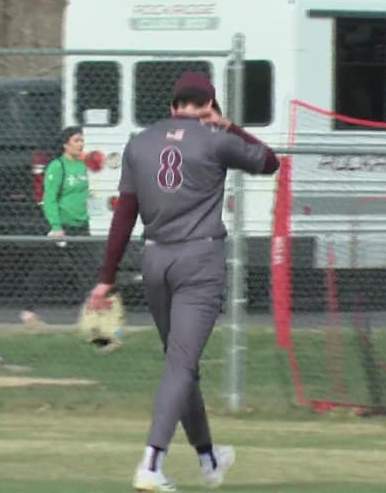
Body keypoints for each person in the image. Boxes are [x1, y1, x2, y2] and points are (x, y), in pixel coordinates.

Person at [85, 71, 280, 491]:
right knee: (181, 364)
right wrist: (229, 126)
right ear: (209, 104)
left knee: (181, 365)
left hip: (155, 258)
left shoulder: (139, 142)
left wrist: (105, 279)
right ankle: (150, 464)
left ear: (173, 105)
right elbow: (269, 161)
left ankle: (209, 459)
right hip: (200, 260)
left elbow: (124, 215)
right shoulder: (216, 138)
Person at [21, 126, 93, 326]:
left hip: (80, 224)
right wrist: (56, 226)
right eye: (76, 140)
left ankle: (91, 314)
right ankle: (28, 311)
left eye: (82, 140)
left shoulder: (82, 165)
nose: (81, 144)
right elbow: (49, 199)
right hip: (61, 226)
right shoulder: (57, 166)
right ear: (65, 144)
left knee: (90, 269)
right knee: (45, 268)